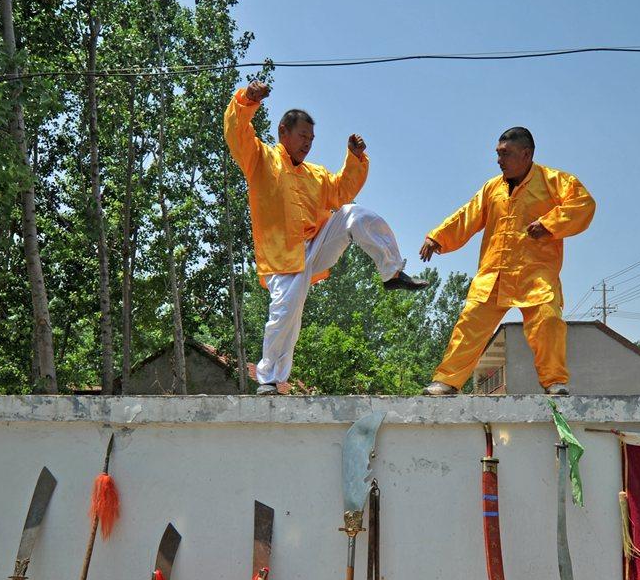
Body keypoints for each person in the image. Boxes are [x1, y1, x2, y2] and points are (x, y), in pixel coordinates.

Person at [224, 80, 426, 395]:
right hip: (281, 257)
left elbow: (342, 191)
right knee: (287, 309)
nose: (308, 143)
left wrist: (355, 158)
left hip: (316, 245)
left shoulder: (316, 174)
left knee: (354, 213)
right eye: (303, 136)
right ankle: (269, 378)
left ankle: (392, 271)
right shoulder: (259, 159)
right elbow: (237, 131)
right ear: (283, 132)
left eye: (312, 138)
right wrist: (248, 98)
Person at [420, 127, 596, 396]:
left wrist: (550, 224)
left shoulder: (554, 181)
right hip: (495, 273)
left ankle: (554, 382)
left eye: (506, 154)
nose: (499, 160)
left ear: (526, 154)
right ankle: (447, 381)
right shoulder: (493, 188)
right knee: (469, 325)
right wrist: (438, 237)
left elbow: (583, 204)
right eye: (498, 154)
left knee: (547, 321)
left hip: (536, 272)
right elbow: (467, 215)